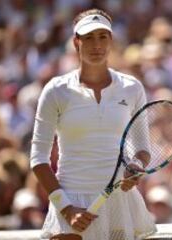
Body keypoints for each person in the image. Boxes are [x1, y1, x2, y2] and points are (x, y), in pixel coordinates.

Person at [30, 8, 156, 240]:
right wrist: (66, 208)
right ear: (76, 42)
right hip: (70, 200)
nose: (96, 45)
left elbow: (143, 149)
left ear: (111, 41)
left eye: (102, 37)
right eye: (88, 37)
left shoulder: (132, 88)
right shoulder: (56, 90)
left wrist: (136, 166)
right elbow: (38, 159)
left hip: (120, 200)